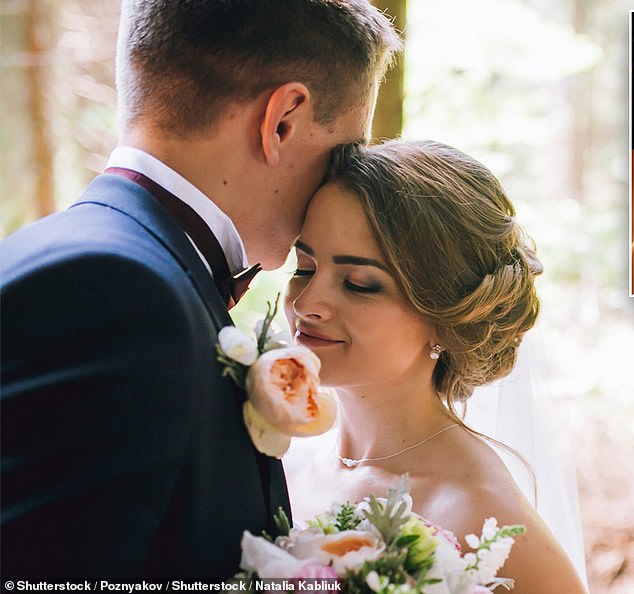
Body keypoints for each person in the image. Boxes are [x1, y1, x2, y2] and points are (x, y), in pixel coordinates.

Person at [0, 0, 400, 580]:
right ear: (282, 120)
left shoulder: (87, 257)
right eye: (345, 152)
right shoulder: (119, 293)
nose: (339, 181)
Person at [283, 140, 587, 593]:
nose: (307, 303)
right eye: (304, 267)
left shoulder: (484, 517)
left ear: (444, 321)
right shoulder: (283, 452)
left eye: (360, 284)